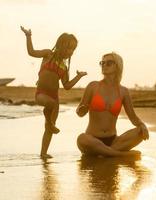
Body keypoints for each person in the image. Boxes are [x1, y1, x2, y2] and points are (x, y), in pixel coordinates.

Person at [21, 26, 87, 158]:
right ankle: (50, 123)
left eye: (73, 49)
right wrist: (28, 36)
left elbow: (67, 86)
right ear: (60, 45)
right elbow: (31, 52)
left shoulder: (64, 66)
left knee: (50, 127)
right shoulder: (47, 55)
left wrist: (78, 77)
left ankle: (43, 152)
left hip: (54, 97)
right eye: (69, 47)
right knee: (50, 106)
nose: (71, 51)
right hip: (41, 94)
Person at [76, 52, 149, 157]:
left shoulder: (124, 91)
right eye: (102, 63)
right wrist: (81, 110)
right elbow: (80, 112)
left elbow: (133, 118)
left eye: (109, 63)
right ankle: (120, 155)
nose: (104, 65)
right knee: (82, 139)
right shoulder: (93, 86)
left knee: (140, 132)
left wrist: (142, 125)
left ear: (117, 66)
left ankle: (106, 153)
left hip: (114, 141)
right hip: (92, 140)